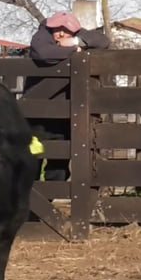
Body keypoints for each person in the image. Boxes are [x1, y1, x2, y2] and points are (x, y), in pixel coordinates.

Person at [27, 11, 110, 181]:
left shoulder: (75, 35)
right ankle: (30, 201)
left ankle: (47, 202)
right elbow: (43, 53)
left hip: (63, 112)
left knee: (59, 161)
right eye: (58, 29)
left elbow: (103, 41)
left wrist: (74, 41)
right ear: (51, 27)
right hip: (36, 113)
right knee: (32, 157)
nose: (62, 33)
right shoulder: (41, 35)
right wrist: (75, 51)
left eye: (67, 30)